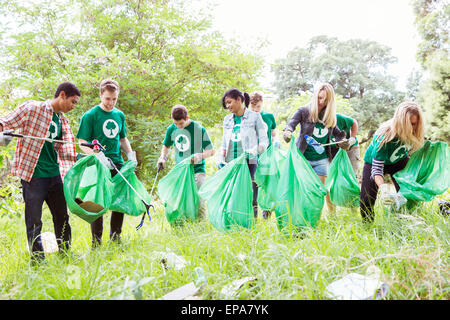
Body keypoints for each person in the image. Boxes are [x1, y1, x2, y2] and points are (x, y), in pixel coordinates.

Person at [0, 82, 80, 265]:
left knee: (62, 217)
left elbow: (65, 151)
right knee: (34, 220)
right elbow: (4, 122)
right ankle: (38, 259)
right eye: (73, 102)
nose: (73, 107)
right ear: (62, 95)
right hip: (34, 175)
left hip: (54, 175)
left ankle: (65, 252)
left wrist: (86, 156)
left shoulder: (62, 120)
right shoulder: (32, 108)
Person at [77, 79, 136, 247]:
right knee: (98, 202)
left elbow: (122, 138)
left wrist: (130, 154)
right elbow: (82, 142)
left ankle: (116, 238)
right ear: (101, 95)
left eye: (114, 99)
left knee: (118, 201)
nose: (111, 103)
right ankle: (96, 241)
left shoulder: (119, 115)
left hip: (117, 163)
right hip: (98, 166)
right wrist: (97, 156)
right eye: (108, 98)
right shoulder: (90, 115)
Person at [283, 83, 347, 214]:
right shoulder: (304, 111)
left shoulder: (329, 116)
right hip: (303, 159)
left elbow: (338, 135)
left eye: (324, 99)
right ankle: (300, 218)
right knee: (301, 191)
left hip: (321, 160)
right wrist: (287, 132)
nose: (320, 102)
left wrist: (343, 142)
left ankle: (316, 220)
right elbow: (291, 124)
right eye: (319, 98)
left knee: (318, 192)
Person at [360, 101, 424, 223]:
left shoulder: (417, 132)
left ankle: (406, 222)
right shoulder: (384, 135)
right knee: (366, 199)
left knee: (409, 192)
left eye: (414, 124)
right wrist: (383, 186)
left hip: (398, 161)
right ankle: (367, 227)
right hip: (374, 163)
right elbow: (377, 169)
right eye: (408, 124)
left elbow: (415, 154)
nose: (412, 128)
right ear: (400, 122)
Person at [157, 104, 214, 219]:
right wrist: (163, 157)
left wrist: (200, 156)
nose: (178, 126)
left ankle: (200, 226)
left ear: (187, 118)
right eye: (175, 123)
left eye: (181, 124)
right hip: (180, 171)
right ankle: (183, 224)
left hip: (197, 170)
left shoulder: (198, 129)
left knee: (199, 200)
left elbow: (211, 151)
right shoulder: (172, 129)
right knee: (180, 199)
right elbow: (166, 145)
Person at [220, 88, 269, 218]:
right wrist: (221, 157)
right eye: (226, 103)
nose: (228, 106)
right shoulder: (227, 120)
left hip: (250, 161)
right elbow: (225, 142)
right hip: (232, 162)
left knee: (252, 194)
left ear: (239, 100)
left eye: (230, 102)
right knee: (233, 193)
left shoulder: (254, 117)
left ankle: (252, 223)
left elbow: (264, 141)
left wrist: (254, 150)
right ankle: (235, 221)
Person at [249, 91, 279, 219]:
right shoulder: (246, 117)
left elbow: (273, 133)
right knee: (254, 186)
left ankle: (266, 216)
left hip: (267, 157)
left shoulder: (268, 116)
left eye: (258, 107)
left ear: (262, 104)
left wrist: (274, 143)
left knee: (267, 186)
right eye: (253, 107)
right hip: (252, 157)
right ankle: (254, 217)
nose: (256, 110)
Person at [329, 113, 360, 179]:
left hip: (351, 148)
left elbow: (354, 122)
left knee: (351, 175)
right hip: (335, 150)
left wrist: (352, 137)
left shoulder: (337, 118)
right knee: (337, 176)